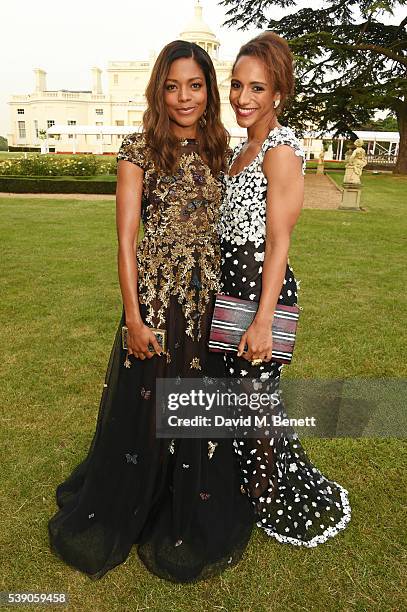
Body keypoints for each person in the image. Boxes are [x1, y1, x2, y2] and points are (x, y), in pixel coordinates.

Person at [48, 40, 255, 583]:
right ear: (157, 90)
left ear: (209, 89)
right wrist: (135, 319)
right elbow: (125, 244)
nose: (184, 97)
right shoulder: (138, 148)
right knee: (146, 406)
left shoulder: (220, 149)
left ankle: (183, 498)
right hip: (157, 306)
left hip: (205, 305)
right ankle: (132, 498)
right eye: (172, 85)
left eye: (195, 85)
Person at [218, 32, 352, 546]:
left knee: (256, 397)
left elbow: (278, 240)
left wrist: (263, 319)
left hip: (260, 289)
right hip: (232, 285)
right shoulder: (242, 146)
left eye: (257, 88)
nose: (243, 98)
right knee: (238, 397)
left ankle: (266, 492)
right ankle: (242, 481)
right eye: (236, 86)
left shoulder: (280, 151)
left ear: (278, 93)